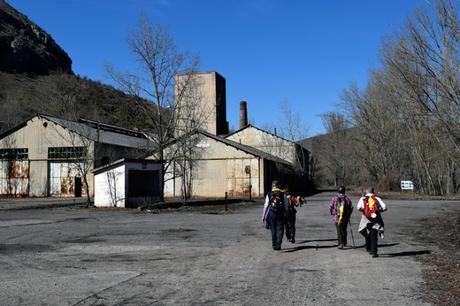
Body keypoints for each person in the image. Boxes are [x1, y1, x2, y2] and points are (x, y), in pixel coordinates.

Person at [357, 187, 387, 258]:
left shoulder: (363, 199)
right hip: (376, 218)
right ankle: (374, 252)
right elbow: (385, 207)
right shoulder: (377, 198)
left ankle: (368, 247)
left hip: (365, 219)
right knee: (374, 235)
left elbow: (358, 208)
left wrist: (365, 211)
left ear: (366, 192)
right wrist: (378, 211)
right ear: (373, 192)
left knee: (364, 231)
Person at [262, 180, 289, 250]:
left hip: (271, 214)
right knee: (280, 229)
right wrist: (286, 214)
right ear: (278, 186)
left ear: (272, 186)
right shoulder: (283, 194)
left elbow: (266, 205)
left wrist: (263, 216)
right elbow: (286, 206)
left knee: (273, 229)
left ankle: (274, 244)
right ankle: (278, 243)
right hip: (280, 214)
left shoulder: (269, 194)